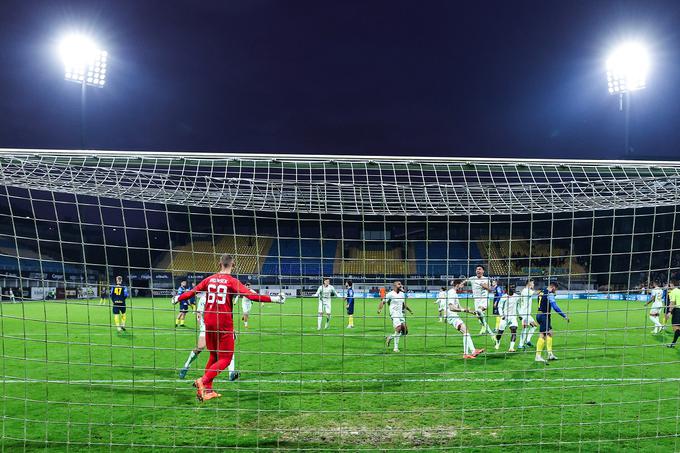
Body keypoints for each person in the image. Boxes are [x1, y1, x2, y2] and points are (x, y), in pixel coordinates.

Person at [174, 254, 285, 402]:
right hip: (223, 323)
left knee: (214, 356)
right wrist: (275, 299)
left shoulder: (209, 279)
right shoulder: (231, 281)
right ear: (233, 265)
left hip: (209, 322)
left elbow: (191, 292)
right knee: (225, 359)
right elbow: (250, 296)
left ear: (220, 263)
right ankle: (202, 380)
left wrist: (177, 298)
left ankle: (208, 391)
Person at [179, 292, 241, 381]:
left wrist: (231, 328)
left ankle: (231, 373)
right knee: (200, 347)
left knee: (228, 348)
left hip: (222, 326)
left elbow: (227, 314)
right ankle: (186, 366)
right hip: (207, 326)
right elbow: (199, 314)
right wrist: (203, 326)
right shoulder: (204, 298)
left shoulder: (223, 297)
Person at [446, 279, 484, 358]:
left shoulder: (454, 293)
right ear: (457, 284)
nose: (463, 286)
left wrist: (471, 312)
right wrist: (463, 310)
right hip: (451, 315)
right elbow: (451, 307)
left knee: (465, 332)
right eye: (462, 284)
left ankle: (472, 351)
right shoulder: (451, 293)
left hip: (453, 315)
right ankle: (467, 354)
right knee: (465, 331)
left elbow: (459, 307)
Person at [535, 281, 569, 363]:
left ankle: (550, 354)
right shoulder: (549, 294)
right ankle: (538, 356)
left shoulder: (542, 291)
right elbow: (555, 307)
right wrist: (564, 315)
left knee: (550, 333)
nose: (556, 291)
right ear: (553, 287)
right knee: (542, 335)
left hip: (540, 314)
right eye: (556, 289)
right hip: (544, 316)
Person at [378, 281, 413, 353]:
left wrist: (409, 310)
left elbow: (403, 304)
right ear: (394, 286)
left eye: (401, 284)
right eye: (399, 284)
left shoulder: (402, 294)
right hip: (394, 313)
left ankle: (390, 337)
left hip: (400, 314)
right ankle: (395, 348)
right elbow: (383, 301)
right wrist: (379, 309)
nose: (400, 285)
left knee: (405, 331)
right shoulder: (390, 294)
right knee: (398, 328)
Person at [466, 265, 494, 335]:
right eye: (477, 269)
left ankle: (488, 330)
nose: (478, 271)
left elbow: (490, 290)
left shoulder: (486, 279)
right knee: (479, 316)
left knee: (479, 311)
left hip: (484, 299)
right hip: (476, 301)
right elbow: (465, 282)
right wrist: (459, 284)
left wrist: (483, 285)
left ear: (483, 271)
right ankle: (484, 327)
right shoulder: (472, 278)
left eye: (479, 269)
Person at [495, 284, 519, 352]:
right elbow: (499, 307)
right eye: (511, 287)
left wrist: (520, 315)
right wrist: (502, 315)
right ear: (507, 289)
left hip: (513, 317)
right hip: (505, 317)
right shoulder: (504, 297)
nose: (513, 288)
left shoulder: (517, 297)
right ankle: (497, 341)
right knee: (500, 332)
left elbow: (518, 306)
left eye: (514, 287)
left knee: (514, 330)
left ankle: (511, 348)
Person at [518, 278, 538, 349]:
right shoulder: (527, 290)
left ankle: (527, 340)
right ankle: (520, 344)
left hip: (527, 314)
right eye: (533, 283)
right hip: (524, 314)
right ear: (529, 283)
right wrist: (545, 291)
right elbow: (536, 293)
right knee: (525, 328)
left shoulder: (525, 290)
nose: (533, 284)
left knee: (534, 326)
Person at [666, 280, 680, 348]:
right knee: (678, 329)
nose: (669, 285)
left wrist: (669, 312)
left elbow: (672, 302)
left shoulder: (673, 292)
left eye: (670, 284)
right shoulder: (679, 291)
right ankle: (673, 344)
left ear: (672, 284)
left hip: (677, 311)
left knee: (676, 328)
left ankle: (673, 344)